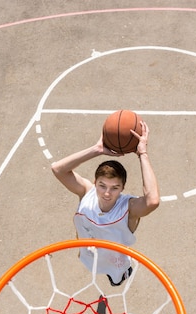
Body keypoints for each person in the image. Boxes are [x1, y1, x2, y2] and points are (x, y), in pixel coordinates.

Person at [51, 120, 160, 286]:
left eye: (115, 188)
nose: (107, 193)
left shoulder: (128, 208)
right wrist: (97, 150)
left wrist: (142, 154)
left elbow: (152, 201)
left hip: (114, 259)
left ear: (123, 188)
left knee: (116, 280)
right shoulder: (87, 192)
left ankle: (122, 275)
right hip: (89, 251)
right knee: (90, 263)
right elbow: (58, 169)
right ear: (95, 182)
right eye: (102, 186)